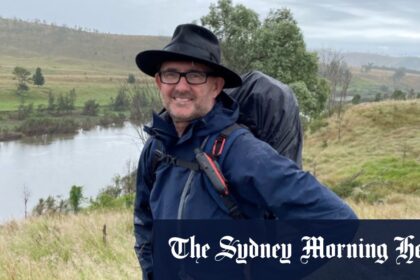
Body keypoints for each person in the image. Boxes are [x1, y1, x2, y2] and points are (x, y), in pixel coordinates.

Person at [133, 23, 357, 280]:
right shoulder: (157, 148)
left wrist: (267, 271)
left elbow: (337, 221)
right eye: (172, 74)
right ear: (159, 82)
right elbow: (144, 222)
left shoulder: (241, 151)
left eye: (195, 76)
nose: (181, 86)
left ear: (216, 86)